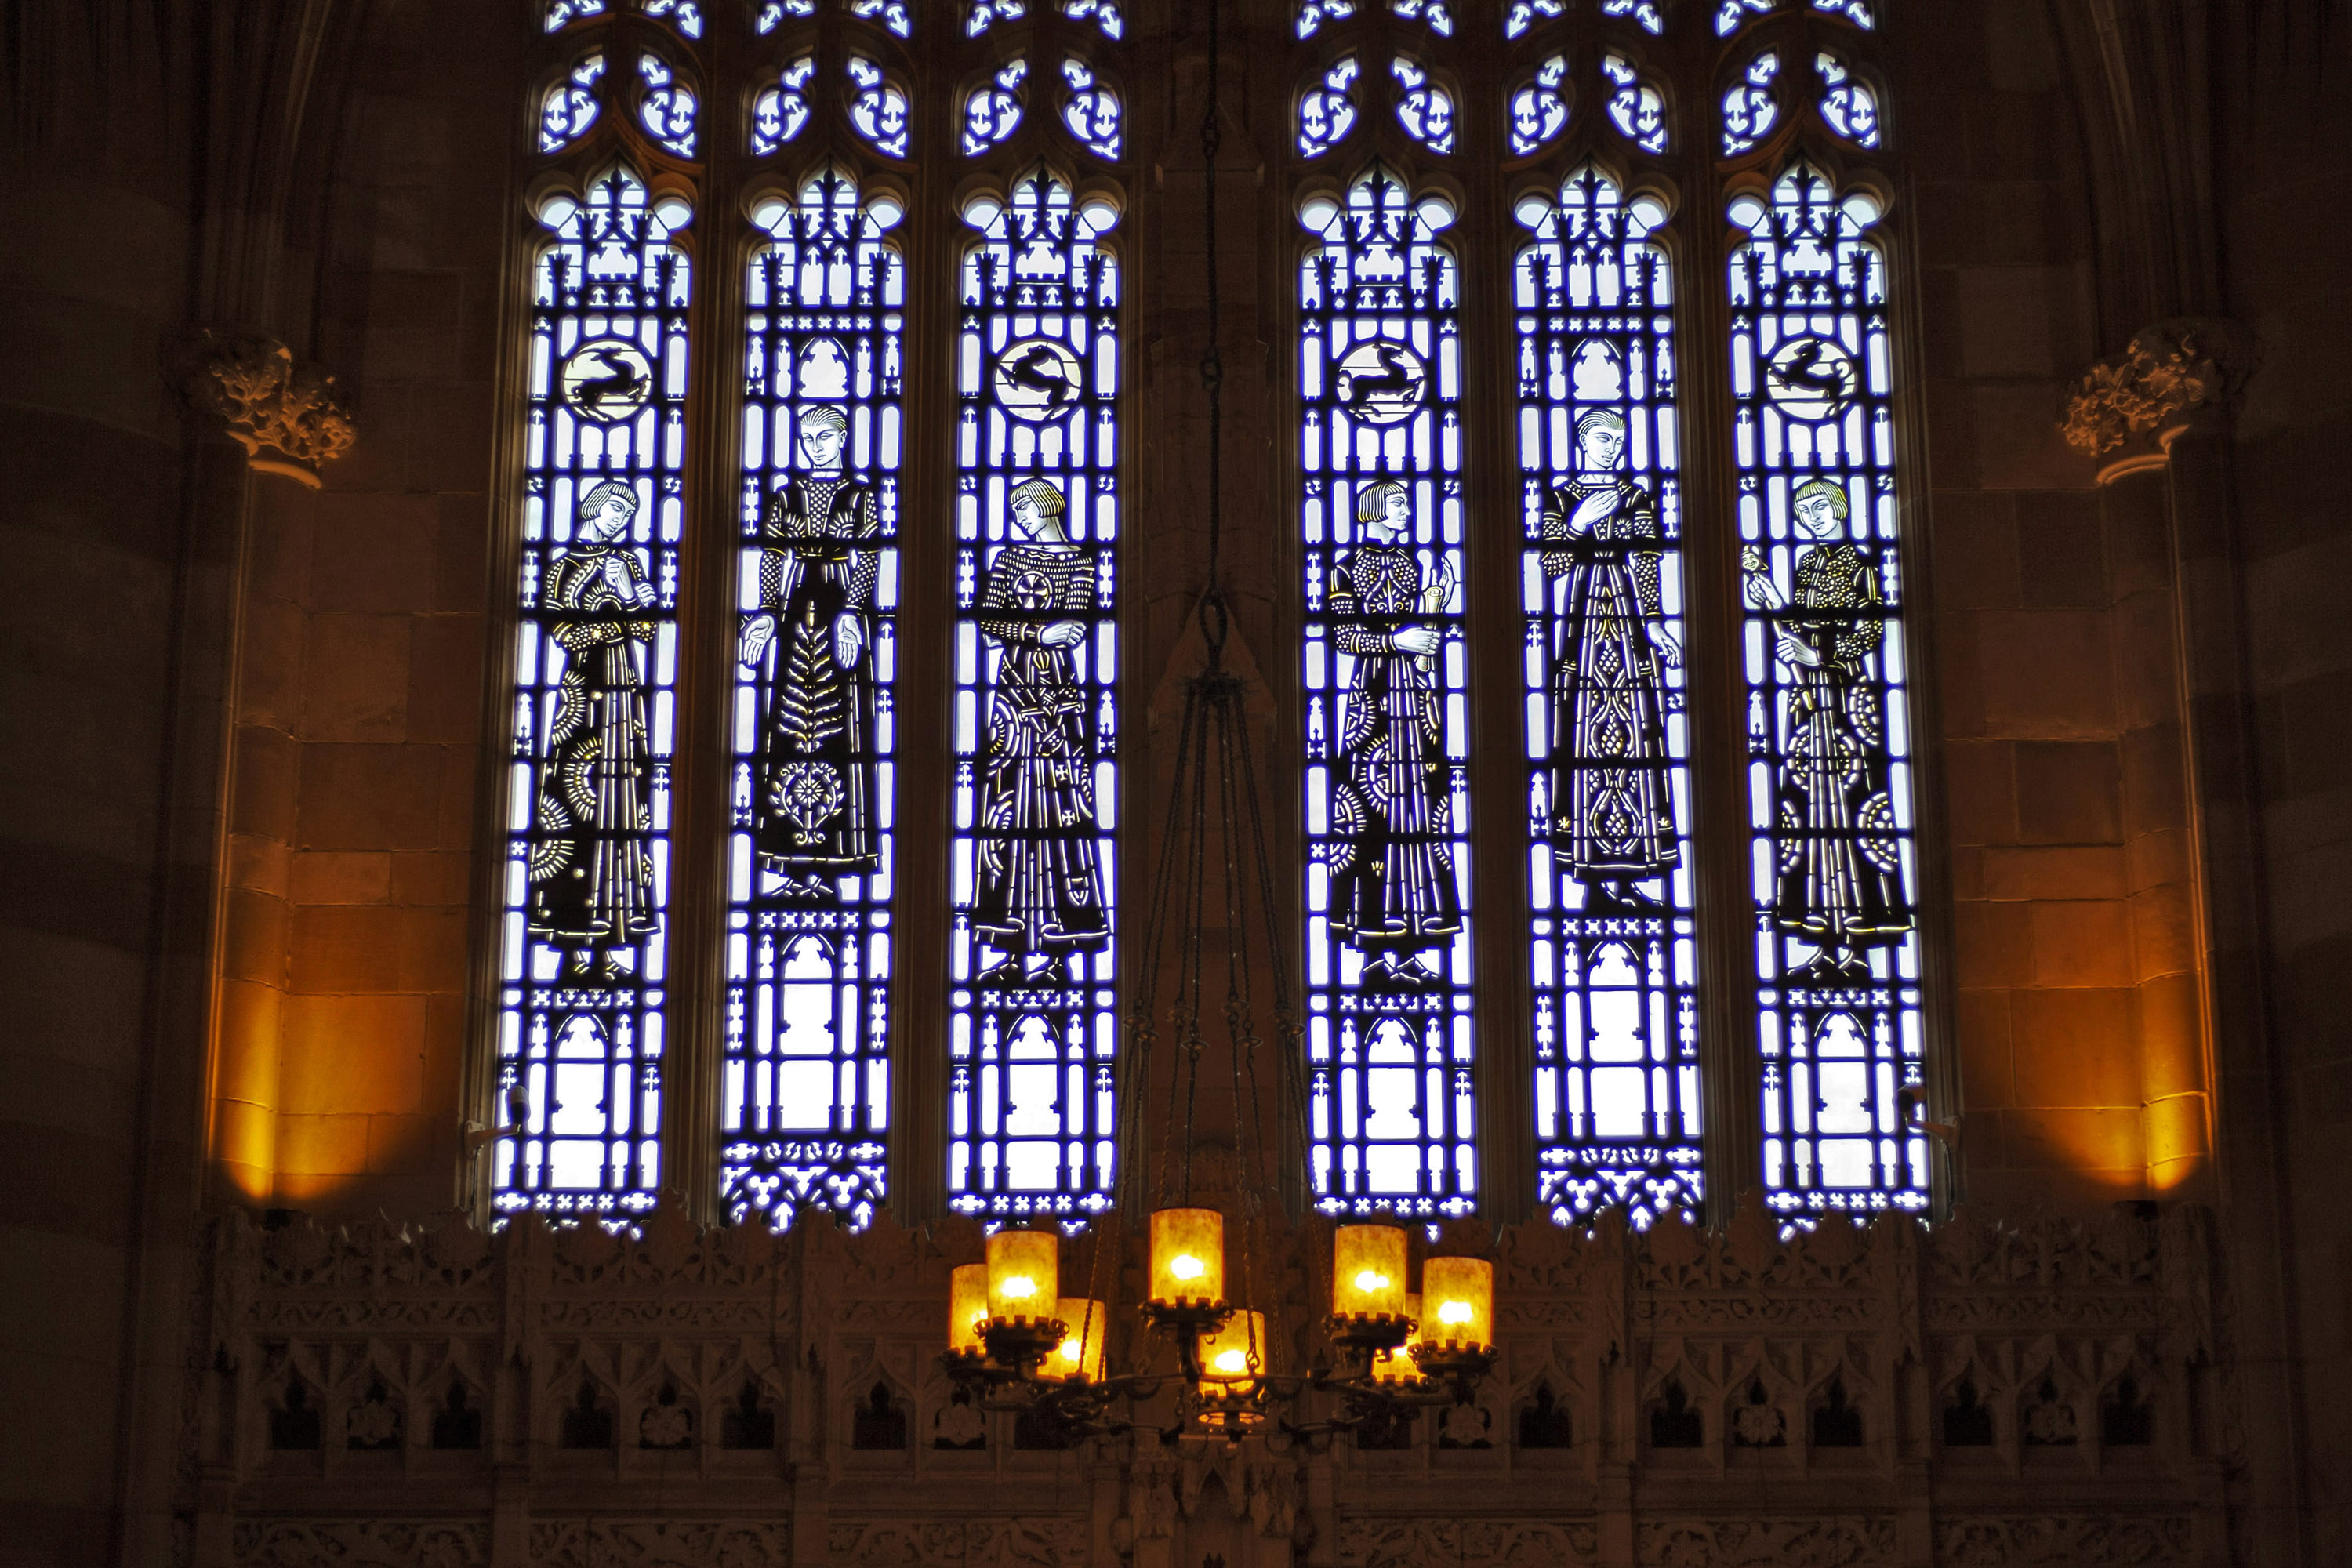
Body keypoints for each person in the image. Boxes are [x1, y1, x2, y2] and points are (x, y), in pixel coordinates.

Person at [1742, 477, 1911, 981]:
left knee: (1855, 815)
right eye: (1804, 510)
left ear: (1840, 507)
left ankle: (1859, 944)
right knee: (1808, 818)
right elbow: (1797, 624)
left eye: (1820, 506)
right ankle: (1820, 939)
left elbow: (1872, 628)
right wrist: (1775, 603)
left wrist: (1819, 656)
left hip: (1849, 705)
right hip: (1807, 708)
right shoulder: (1807, 565)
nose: (1812, 516)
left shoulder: (1860, 565)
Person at [968, 478, 1109, 986]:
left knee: (1061, 813)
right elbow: (990, 623)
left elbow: (1075, 625)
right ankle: (1007, 948)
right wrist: (1036, 631)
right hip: (1011, 695)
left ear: (1049, 505)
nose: (1020, 517)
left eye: (1025, 507)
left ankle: (1056, 950)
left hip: (1058, 701)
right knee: (1005, 815)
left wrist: (1036, 629)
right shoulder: (1007, 560)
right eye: (1014, 510)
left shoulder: (1081, 563)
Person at [1540, 408, 1682, 909]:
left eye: (1618, 439)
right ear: (1582, 442)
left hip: (1626, 623)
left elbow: (1647, 560)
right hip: (1582, 624)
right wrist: (1577, 526)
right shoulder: (1559, 497)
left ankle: (1631, 874)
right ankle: (1591, 876)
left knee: (1636, 737)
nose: (1612, 447)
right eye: (1602, 438)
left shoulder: (1637, 495)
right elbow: (1551, 563)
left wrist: (1658, 619)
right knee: (1581, 738)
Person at [740, 405, 884, 891]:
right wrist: (764, 611)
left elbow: (867, 555)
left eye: (824, 436)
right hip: (798, 603)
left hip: (838, 603)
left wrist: (854, 612)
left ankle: (834, 858)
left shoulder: (860, 496)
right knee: (787, 727)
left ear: (843, 439)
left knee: (842, 728)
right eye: (807, 437)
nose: (814, 445)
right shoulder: (786, 496)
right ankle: (790, 857)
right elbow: (772, 554)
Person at [1326, 480, 1461, 989]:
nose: (1409, 509)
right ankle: (1372, 953)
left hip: (1415, 700)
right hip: (1373, 704)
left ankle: (1408, 946)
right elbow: (1343, 635)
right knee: (1372, 818)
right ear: (1375, 509)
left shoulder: (1413, 565)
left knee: (1420, 817)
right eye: (1400, 501)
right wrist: (1394, 639)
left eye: (1409, 500)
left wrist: (1432, 611)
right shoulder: (1344, 567)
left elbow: (1422, 641)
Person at [528, 480, 661, 970]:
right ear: (593, 508)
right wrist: (616, 621)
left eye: (627, 516)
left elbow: (648, 627)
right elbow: (566, 630)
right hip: (582, 699)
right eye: (614, 511)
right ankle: (570, 947)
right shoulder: (564, 566)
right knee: (575, 810)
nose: (619, 522)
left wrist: (630, 596)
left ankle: (608, 944)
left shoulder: (628, 565)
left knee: (622, 816)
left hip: (624, 700)